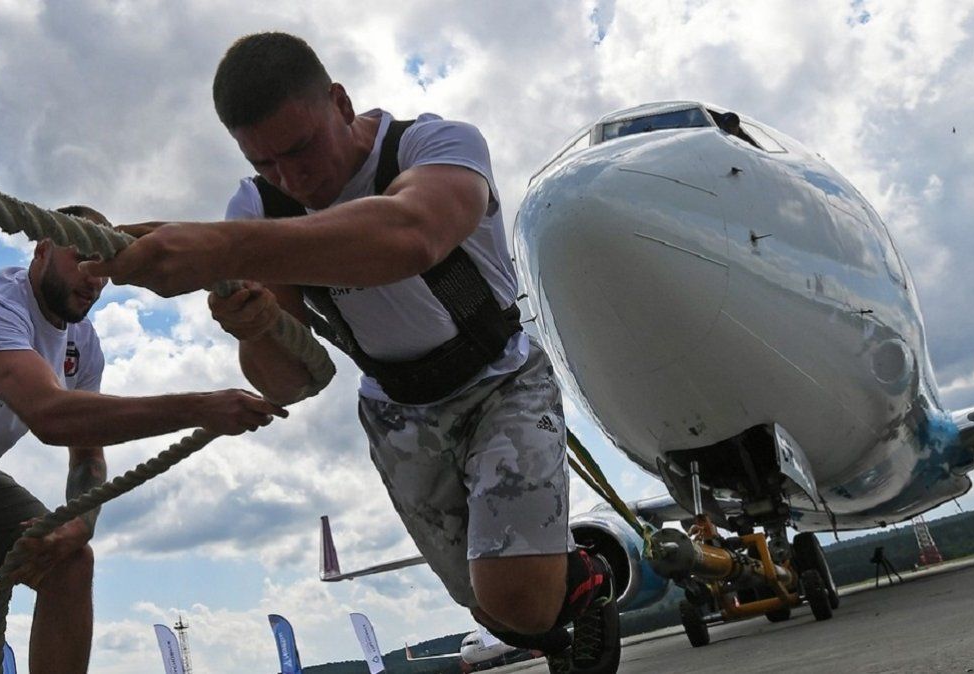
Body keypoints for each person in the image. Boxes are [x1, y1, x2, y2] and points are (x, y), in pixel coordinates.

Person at [82, 32, 621, 674]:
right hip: (399, 412)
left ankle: (580, 584)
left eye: (302, 147)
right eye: (267, 164)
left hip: (499, 380)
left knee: (518, 598)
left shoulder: (435, 144)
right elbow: (289, 381)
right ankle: (552, 603)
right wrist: (254, 328)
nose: (293, 177)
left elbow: (412, 234)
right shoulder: (257, 209)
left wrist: (225, 249)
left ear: (340, 102)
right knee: (491, 608)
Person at [0, 206, 287, 674]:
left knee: (69, 561)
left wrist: (82, 523)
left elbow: (86, 452)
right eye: (80, 258)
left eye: (103, 265)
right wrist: (198, 407)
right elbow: (50, 416)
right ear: (42, 250)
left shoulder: (82, 345)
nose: (93, 277)